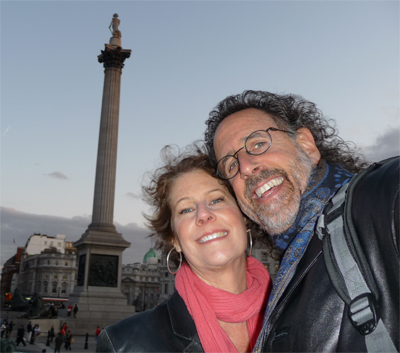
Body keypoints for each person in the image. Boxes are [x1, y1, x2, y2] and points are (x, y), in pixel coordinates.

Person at [204, 90, 399, 352]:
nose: (246, 167)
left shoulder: (384, 195)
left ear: (306, 144)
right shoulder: (292, 268)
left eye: (258, 143)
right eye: (230, 166)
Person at [97, 146, 272, 352]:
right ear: (175, 240)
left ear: (244, 217)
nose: (203, 214)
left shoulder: (298, 309)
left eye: (216, 199)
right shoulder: (123, 344)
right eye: (186, 209)